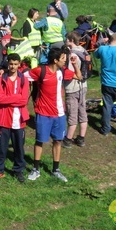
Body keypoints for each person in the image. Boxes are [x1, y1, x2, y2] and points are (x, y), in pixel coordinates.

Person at [26, 46, 73, 182]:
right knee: (40, 141)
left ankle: (56, 170)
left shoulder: (63, 71)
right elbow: (22, 76)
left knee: (58, 141)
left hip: (59, 114)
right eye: (63, 59)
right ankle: (36, 169)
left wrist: (75, 65)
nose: (65, 61)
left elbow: (79, 76)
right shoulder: (40, 71)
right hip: (43, 112)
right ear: (55, 60)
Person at [0, 53, 29, 183]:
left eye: (15, 64)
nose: (13, 66)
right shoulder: (0, 78)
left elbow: (24, 100)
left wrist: (9, 99)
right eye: (11, 64)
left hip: (19, 120)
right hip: (3, 118)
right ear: (8, 64)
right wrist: (16, 98)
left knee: (19, 147)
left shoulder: (23, 79)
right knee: (0, 146)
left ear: (19, 65)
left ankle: (18, 170)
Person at [63, 32, 88, 148]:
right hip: (83, 86)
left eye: (66, 39)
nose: (65, 40)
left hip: (73, 88)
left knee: (72, 114)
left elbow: (69, 73)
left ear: (71, 40)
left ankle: (68, 139)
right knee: (82, 111)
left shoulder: (72, 55)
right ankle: (81, 138)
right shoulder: (83, 50)